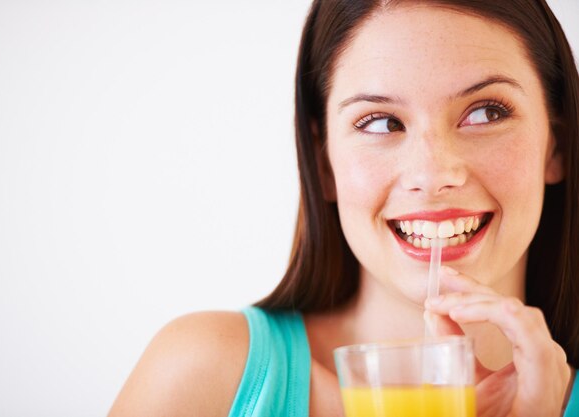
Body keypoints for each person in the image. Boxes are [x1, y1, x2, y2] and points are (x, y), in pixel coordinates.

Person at [108, 0, 579, 416]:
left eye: (486, 113)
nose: (432, 174)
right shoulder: (204, 374)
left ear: (554, 145)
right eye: (381, 122)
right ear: (323, 161)